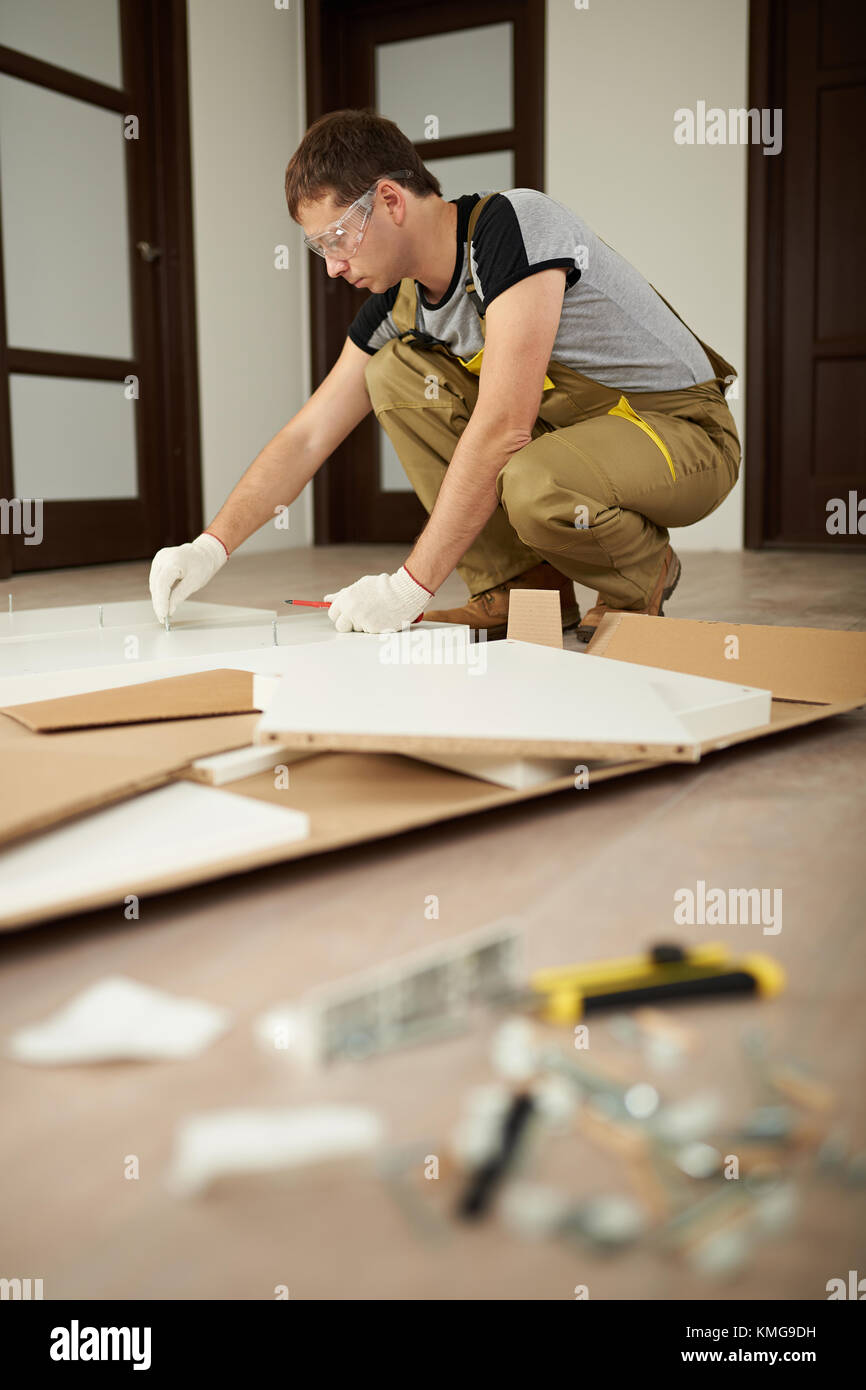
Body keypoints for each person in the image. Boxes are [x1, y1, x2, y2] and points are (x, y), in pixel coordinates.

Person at [150, 109, 740, 643]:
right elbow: (308, 434)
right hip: (578, 442)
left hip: (682, 435)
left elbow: (506, 425)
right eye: (317, 249)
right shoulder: (396, 303)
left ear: (388, 200)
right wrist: (209, 547)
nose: (332, 266)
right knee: (393, 373)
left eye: (335, 239)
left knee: (535, 482)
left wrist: (409, 587)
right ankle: (519, 591)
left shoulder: (514, 227)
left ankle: (640, 581)